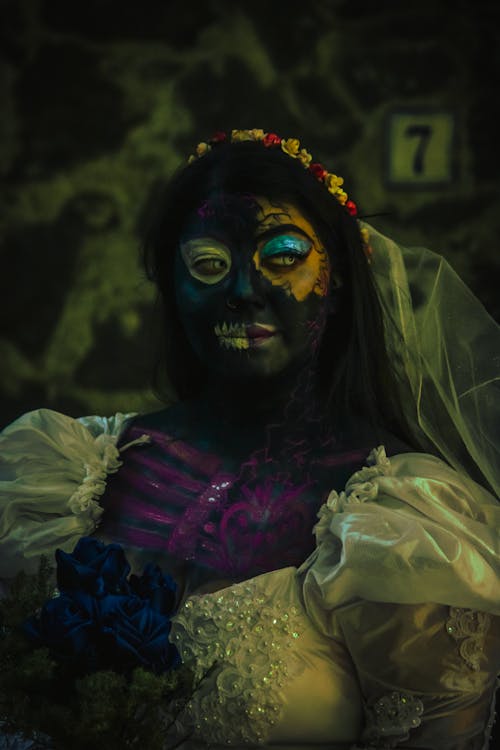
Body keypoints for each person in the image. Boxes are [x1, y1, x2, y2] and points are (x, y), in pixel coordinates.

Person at [0, 128, 499, 749]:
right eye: (209, 264)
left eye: (284, 255)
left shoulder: (403, 527)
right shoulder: (50, 471)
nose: (242, 289)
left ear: (337, 272)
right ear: (170, 283)